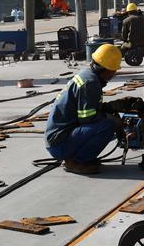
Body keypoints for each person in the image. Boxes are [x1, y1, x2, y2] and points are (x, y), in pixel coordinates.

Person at [45, 44, 122, 174]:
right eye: (114, 71)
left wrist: (109, 107)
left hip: (58, 138)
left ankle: (79, 158)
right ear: (108, 70)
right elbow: (87, 118)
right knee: (108, 126)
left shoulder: (87, 75)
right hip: (59, 144)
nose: (114, 74)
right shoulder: (91, 83)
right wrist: (111, 118)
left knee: (106, 122)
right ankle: (77, 162)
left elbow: (87, 108)